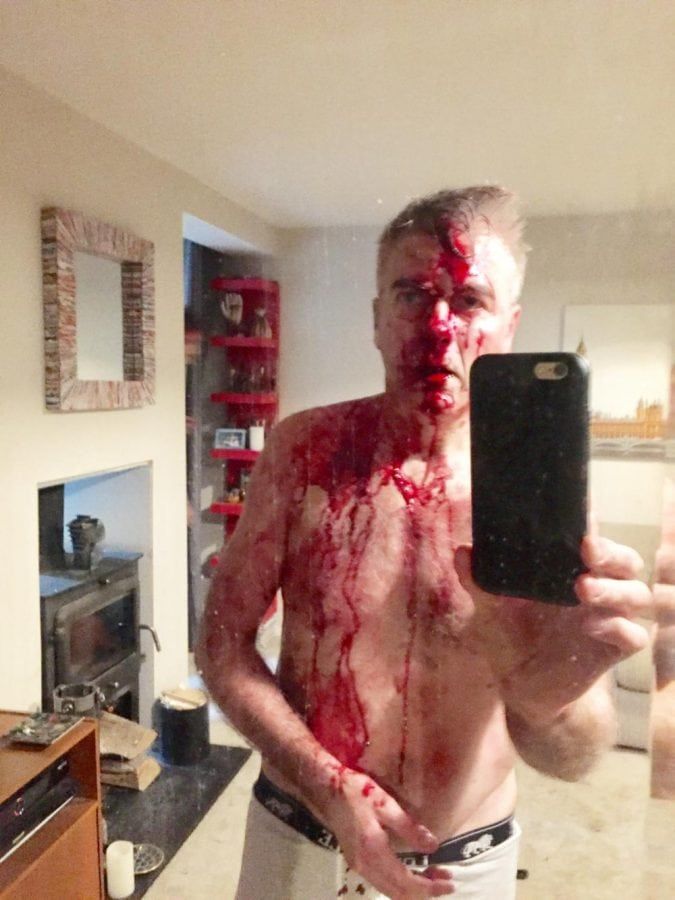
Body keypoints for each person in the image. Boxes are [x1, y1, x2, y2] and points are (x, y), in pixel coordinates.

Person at [196, 186, 652, 899]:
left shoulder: (535, 488)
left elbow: (572, 759)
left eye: (469, 300)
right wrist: (326, 784)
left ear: (508, 325)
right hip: (297, 835)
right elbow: (222, 647)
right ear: (377, 317)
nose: (438, 328)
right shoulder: (302, 452)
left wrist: (543, 701)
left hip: (461, 866)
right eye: (412, 295)